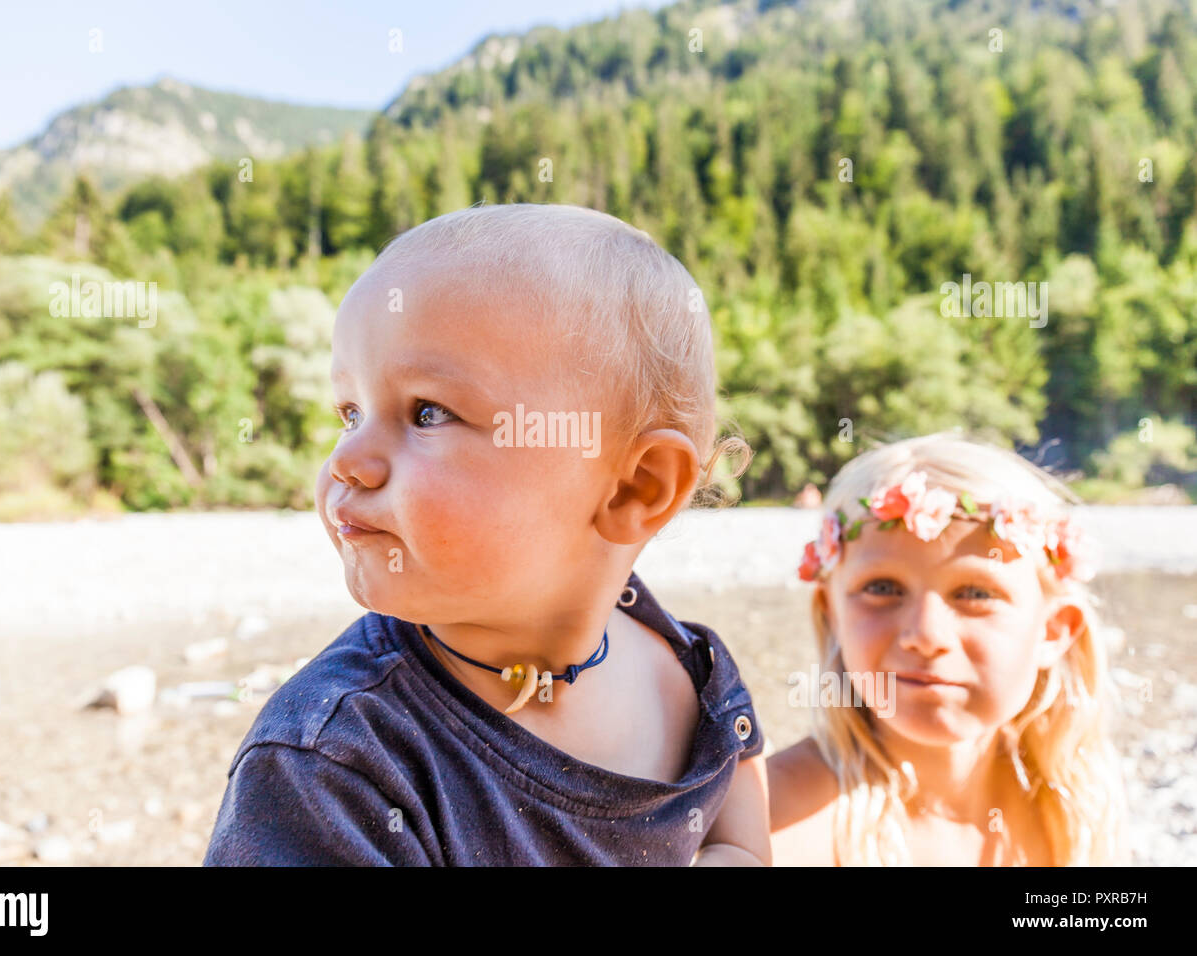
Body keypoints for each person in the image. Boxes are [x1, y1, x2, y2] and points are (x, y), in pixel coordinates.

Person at [204, 203, 770, 866]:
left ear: (635, 488)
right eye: (350, 412)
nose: (345, 461)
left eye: (427, 412)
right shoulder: (333, 770)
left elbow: (738, 840)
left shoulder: (688, 673)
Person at [766, 432, 1128, 865]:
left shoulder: (1077, 804)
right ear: (832, 614)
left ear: (1052, 630)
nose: (926, 634)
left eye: (975, 593)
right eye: (882, 588)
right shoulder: (778, 817)